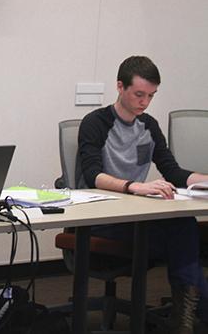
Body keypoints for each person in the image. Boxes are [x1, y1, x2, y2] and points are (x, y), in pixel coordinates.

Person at [77, 56, 208, 334]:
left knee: (184, 226)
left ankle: (186, 314)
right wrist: (134, 186)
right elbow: (93, 175)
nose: (145, 102)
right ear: (120, 87)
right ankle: (191, 312)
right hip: (101, 218)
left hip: (136, 215)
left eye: (151, 96)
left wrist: (205, 180)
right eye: (139, 94)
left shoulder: (148, 125)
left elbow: (173, 171)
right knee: (184, 236)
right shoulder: (95, 123)